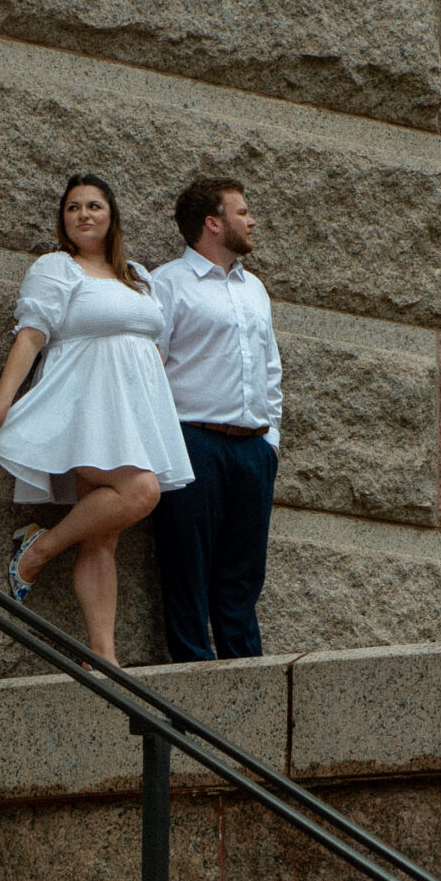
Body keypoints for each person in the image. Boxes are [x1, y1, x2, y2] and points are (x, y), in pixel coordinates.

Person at [0, 173, 192, 664]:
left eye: (93, 205)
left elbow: (152, 347)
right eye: (73, 207)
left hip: (131, 412)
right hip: (86, 407)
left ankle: (103, 658)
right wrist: (2, 399)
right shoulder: (57, 267)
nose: (83, 214)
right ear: (63, 220)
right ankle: (37, 551)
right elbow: (31, 333)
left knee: (104, 538)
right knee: (140, 492)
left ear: (111, 214)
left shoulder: (137, 275)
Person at [149, 176, 283, 661]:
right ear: (213, 223)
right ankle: (194, 686)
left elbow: (271, 368)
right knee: (187, 571)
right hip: (193, 443)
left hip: (253, 449)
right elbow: (151, 370)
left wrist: (272, 443)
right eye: (242, 212)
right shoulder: (166, 283)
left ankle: (248, 684)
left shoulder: (256, 289)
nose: (251, 220)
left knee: (243, 579)